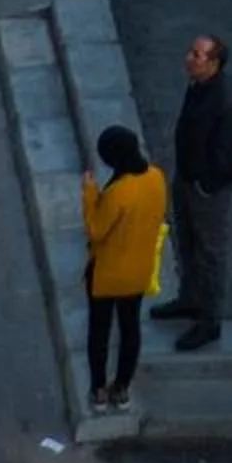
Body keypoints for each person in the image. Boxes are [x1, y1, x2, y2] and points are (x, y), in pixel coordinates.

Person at [159, 33, 232, 352]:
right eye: (191, 51)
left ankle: (209, 320)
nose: (189, 58)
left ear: (214, 63)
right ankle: (190, 298)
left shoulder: (227, 99)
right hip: (187, 178)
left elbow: (227, 154)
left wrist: (206, 186)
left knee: (210, 252)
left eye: (197, 55)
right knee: (187, 241)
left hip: (207, 189)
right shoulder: (198, 85)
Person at [81, 126, 168, 416]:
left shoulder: (119, 192)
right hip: (139, 270)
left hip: (108, 273)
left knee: (100, 331)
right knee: (130, 328)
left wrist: (90, 194)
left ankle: (98, 390)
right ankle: (121, 388)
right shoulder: (156, 177)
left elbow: (96, 230)